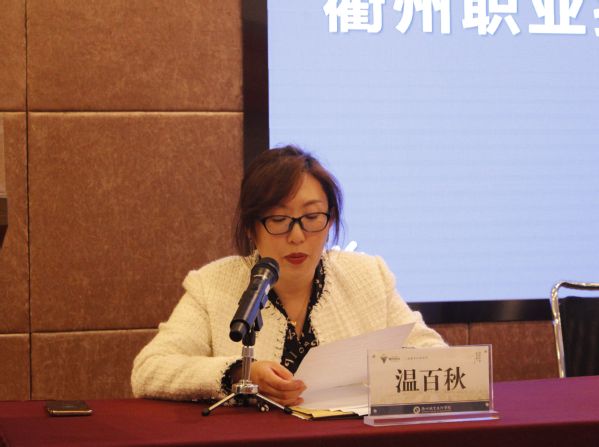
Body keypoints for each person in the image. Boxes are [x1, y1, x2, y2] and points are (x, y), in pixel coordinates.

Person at [131, 145, 445, 407]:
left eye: (312, 217)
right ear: (251, 227)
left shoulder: (369, 276)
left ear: (330, 221)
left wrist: (383, 369)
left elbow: (434, 356)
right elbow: (149, 369)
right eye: (279, 219)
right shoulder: (212, 285)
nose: (297, 236)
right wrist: (240, 373)